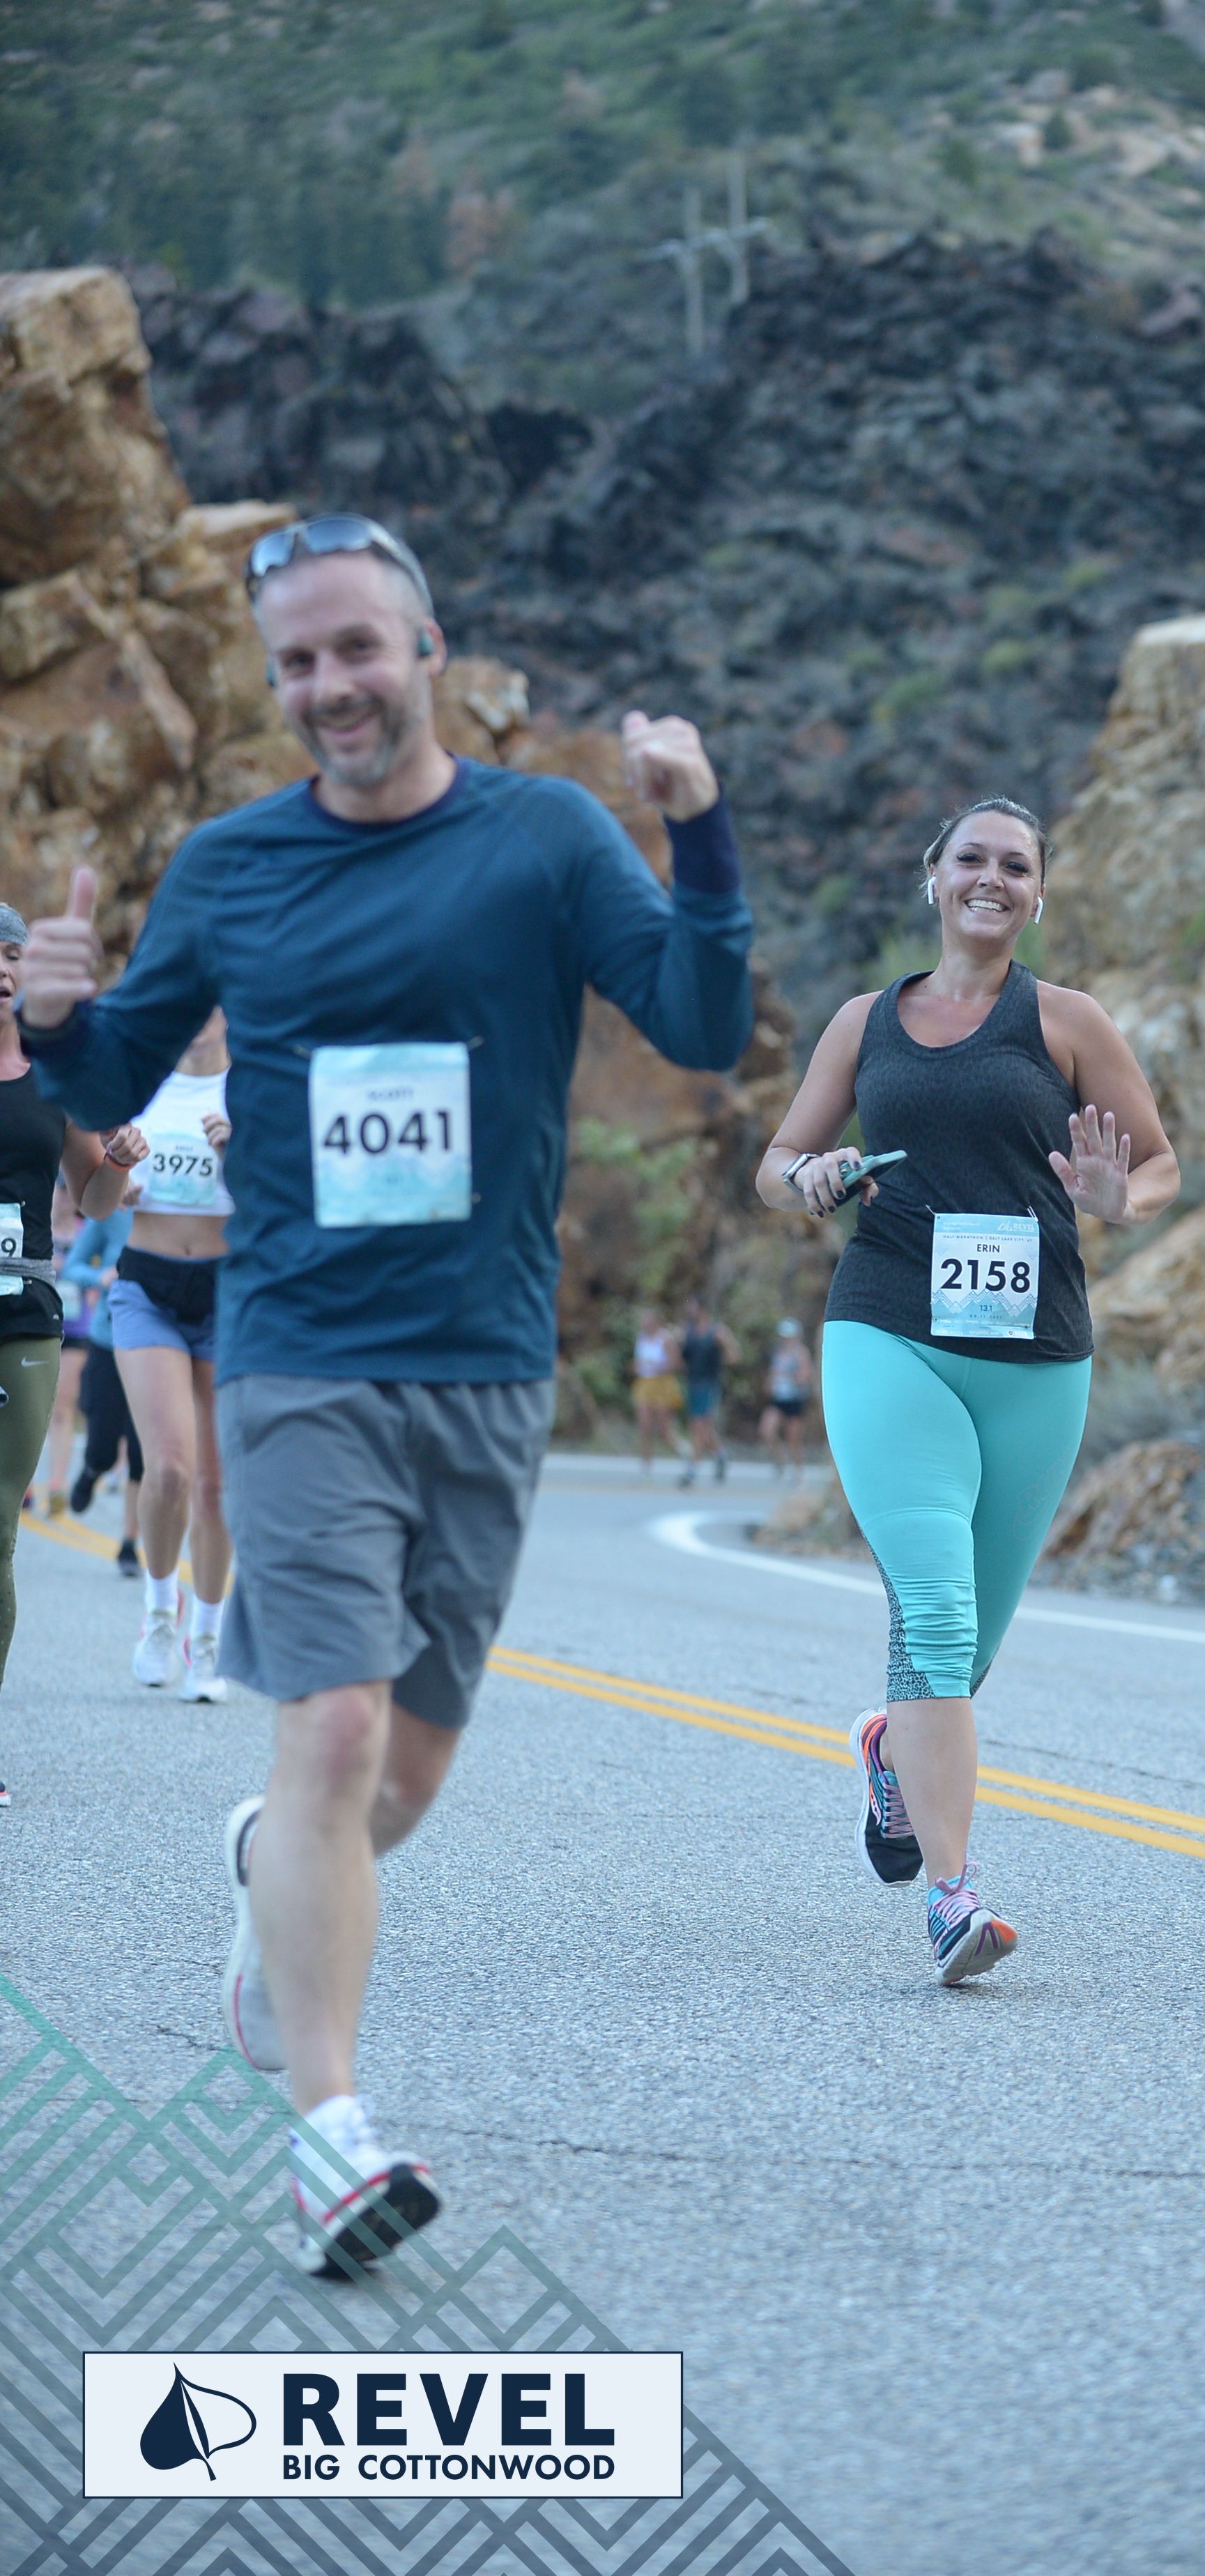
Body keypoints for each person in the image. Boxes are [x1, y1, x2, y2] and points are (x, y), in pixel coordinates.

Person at [17, 512, 752, 2274]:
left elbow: (702, 1025)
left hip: (486, 1363)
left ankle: (269, 1865)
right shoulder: (232, 867)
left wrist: (699, 832)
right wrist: (54, 1021)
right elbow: (116, 1070)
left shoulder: (543, 837)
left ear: (425, 651)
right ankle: (329, 2135)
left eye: (357, 647)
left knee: (394, 1780)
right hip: (295, 1353)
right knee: (335, 1729)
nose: (329, 684)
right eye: (297, 661)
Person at [755, 797, 1179, 1985]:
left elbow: (1158, 1164)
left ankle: (892, 1750)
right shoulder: (865, 1023)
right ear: (932, 877)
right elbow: (775, 1163)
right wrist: (813, 1175)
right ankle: (953, 1898)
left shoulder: (1067, 1021)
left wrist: (1118, 1201)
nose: (992, 879)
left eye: (1017, 866)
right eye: (972, 860)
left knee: (967, 1648)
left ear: (1037, 896)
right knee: (935, 1617)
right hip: (888, 1331)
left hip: (1037, 1356)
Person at [0, 902, 145, 1811]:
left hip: (23, 1311)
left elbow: (92, 1197)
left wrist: (118, 1162)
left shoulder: (51, 1077)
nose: (1, 967)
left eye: (13, 953)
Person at [112, 1009, 234, 1700]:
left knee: (218, 1485)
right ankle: (161, 1611)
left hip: (228, 1294)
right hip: (149, 1288)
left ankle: (207, 1643)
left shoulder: (253, 1088)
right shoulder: (141, 1082)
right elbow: (93, 1196)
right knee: (169, 1471)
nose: (199, 1016)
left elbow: (287, 1198)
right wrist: (117, 1179)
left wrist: (241, 1155)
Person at [63, 1199, 144, 1574]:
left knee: (143, 1455)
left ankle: (129, 1544)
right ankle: (93, 1470)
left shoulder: (177, 1212)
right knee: (103, 1448)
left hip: (152, 1346)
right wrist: (102, 1277)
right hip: (108, 1341)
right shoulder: (114, 1213)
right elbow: (73, 1264)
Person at [43, 1177, 90, 1514]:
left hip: (75, 1329)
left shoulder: (86, 1232)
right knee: (32, 1407)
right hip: (40, 1325)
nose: (65, 1198)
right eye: (61, 1190)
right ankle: (23, 1484)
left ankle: (56, 1485)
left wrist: (77, 1273)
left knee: (62, 1408)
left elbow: (102, 1268)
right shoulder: (37, 1230)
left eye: (71, 1192)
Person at [677, 1296, 739, 1485]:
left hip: (709, 1383)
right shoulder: (688, 1331)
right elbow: (682, 1358)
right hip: (692, 1382)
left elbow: (734, 1355)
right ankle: (721, 1455)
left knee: (699, 1425)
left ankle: (692, 1469)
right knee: (703, 1427)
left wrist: (720, 1357)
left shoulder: (717, 1331)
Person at [758, 1318, 815, 1476]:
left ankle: (799, 1471)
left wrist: (788, 1375)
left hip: (796, 1400)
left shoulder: (801, 1354)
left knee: (793, 1439)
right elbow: (772, 1375)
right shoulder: (778, 1353)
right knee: (766, 1431)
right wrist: (769, 1384)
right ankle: (779, 1459)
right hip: (778, 1399)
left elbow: (805, 1377)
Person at [630, 1308, 682, 1472]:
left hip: (662, 1384)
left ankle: (682, 1450)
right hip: (645, 1383)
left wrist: (658, 1366)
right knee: (644, 1424)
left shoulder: (665, 1338)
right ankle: (646, 1460)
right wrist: (636, 1366)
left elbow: (676, 1364)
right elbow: (638, 1362)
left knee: (663, 1430)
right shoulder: (641, 1339)